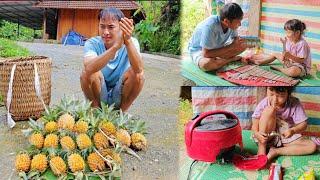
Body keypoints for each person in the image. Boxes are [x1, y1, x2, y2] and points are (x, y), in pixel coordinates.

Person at [80, 8, 144, 111]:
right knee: (88, 72)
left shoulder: (132, 42)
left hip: (119, 96)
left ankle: (122, 113)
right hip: (99, 95)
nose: (106, 32)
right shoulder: (92, 43)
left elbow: (139, 69)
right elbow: (88, 68)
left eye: (111, 27)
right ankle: (95, 111)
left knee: (138, 75)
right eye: (102, 26)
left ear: (121, 27)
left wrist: (127, 41)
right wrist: (115, 48)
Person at [251, 87, 317, 162]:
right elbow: (255, 121)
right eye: (271, 94)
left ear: (288, 94)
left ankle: (276, 151)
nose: (275, 100)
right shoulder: (265, 102)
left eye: (280, 96)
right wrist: (256, 133)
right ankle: (262, 147)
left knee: (312, 146)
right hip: (267, 136)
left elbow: (303, 124)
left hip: (285, 136)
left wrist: (293, 130)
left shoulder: (294, 103)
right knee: (269, 110)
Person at [188, 3, 248, 71]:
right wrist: (231, 47)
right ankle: (231, 59)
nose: (240, 24)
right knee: (206, 64)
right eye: (238, 22)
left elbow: (235, 40)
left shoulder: (231, 25)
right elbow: (206, 54)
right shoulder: (210, 26)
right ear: (226, 21)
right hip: (199, 50)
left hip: (217, 47)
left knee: (245, 44)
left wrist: (237, 42)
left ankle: (220, 60)